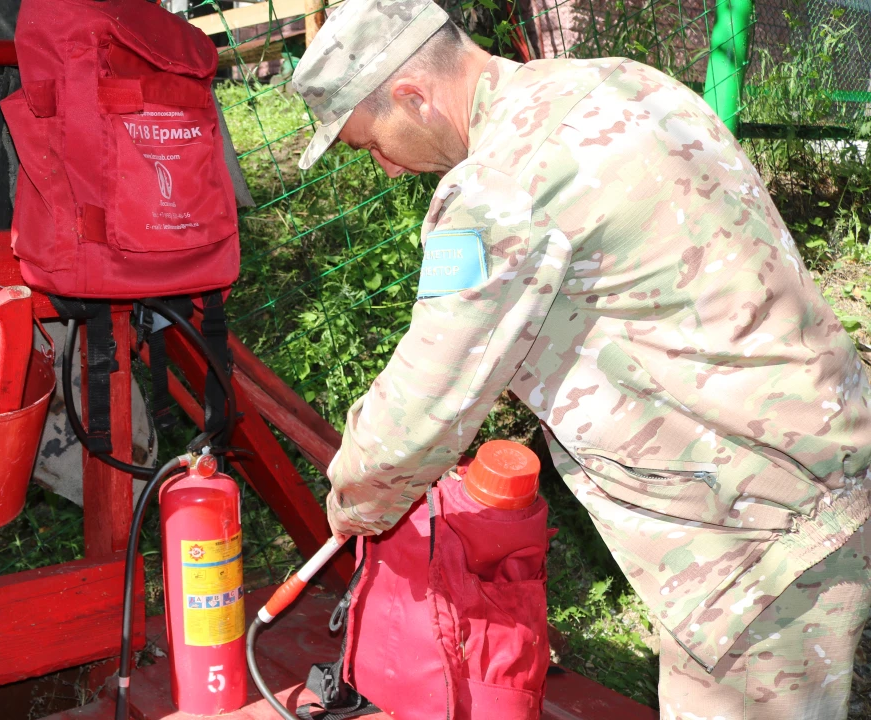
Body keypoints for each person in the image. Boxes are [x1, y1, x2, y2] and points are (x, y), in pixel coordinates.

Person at [290, 0, 871, 717]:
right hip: (823, 445)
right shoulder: (619, 83)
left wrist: (352, 503)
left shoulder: (500, 187)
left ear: (413, 97)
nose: (381, 166)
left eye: (368, 142)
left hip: (750, 531)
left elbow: (418, 415)